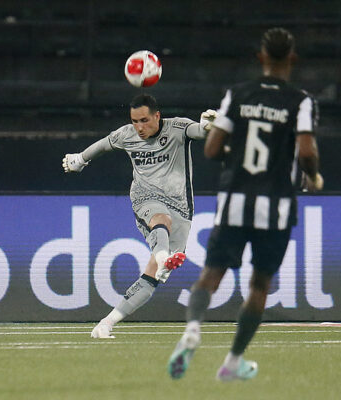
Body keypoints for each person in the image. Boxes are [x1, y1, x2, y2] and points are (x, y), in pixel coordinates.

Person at [167, 27, 323, 381]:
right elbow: (307, 151)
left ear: (261, 57)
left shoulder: (237, 95)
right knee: (259, 286)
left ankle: (193, 328)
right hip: (276, 206)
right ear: (293, 58)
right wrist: (312, 176)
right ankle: (234, 360)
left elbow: (210, 150)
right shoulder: (300, 101)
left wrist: (232, 150)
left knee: (210, 276)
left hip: (235, 199)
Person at [63, 94, 217, 338]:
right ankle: (164, 256)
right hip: (145, 198)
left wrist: (210, 127)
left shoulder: (178, 127)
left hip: (181, 207)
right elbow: (104, 144)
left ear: (157, 116)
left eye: (144, 120)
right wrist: (80, 159)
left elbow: (200, 131)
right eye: (134, 121)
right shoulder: (127, 135)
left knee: (152, 277)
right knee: (160, 219)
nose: (139, 127)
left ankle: (105, 324)